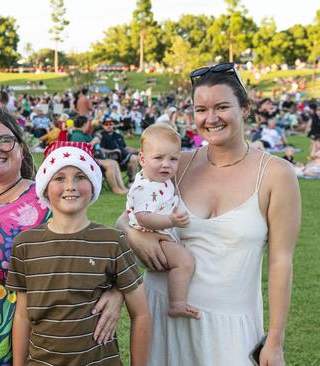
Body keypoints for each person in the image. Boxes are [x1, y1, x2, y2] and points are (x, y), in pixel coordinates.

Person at [118, 63, 300, 365]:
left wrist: (275, 340)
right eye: (200, 109)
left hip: (231, 328)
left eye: (222, 107)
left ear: (245, 108)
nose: (210, 118)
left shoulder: (276, 174)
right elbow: (129, 214)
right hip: (164, 315)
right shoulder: (179, 165)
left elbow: (282, 261)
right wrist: (134, 234)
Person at [0, 108, 124, 366]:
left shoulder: (45, 202)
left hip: (11, 340)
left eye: (4, 140)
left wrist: (117, 291)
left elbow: (97, 247)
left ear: (20, 147)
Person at [8, 141, 151, 366]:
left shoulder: (112, 241)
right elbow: (22, 316)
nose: (70, 186)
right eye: (59, 178)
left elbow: (141, 313)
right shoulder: (25, 244)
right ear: (45, 187)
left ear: (93, 185)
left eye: (80, 177)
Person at [126, 124, 198, 319]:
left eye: (173, 159)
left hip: (158, 235)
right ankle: (177, 303)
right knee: (184, 261)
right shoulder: (145, 188)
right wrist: (170, 220)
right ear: (142, 159)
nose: (166, 164)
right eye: (158, 158)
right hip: (153, 236)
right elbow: (143, 217)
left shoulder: (159, 180)